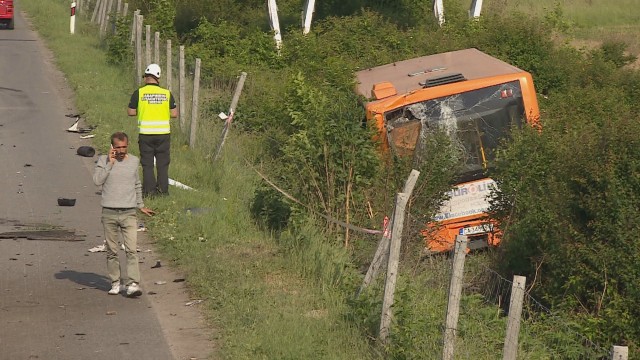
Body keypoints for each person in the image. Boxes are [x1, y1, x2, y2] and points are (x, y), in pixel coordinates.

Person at [93, 132, 155, 297]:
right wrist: (110, 164)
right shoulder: (102, 161)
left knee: (131, 249)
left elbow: (137, 184)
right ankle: (115, 282)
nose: (121, 150)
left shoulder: (134, 161)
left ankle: (133, 283)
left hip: (128, 212)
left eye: (124, 147)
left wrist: (141, 205)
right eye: (118, 147)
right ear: (112, 147)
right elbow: (97, 181)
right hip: (109, 212)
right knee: (112, 250)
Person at [127, 63, 178, 197]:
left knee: (147, 164)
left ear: (145, 78)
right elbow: (174, 114)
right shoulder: (167, 93)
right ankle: (162, 191)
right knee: (162, 164)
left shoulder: (139, 93)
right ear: (158, 78)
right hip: (163, 134)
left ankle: (149, 192)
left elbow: (131, 112)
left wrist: (143, 110)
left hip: (146, 134)